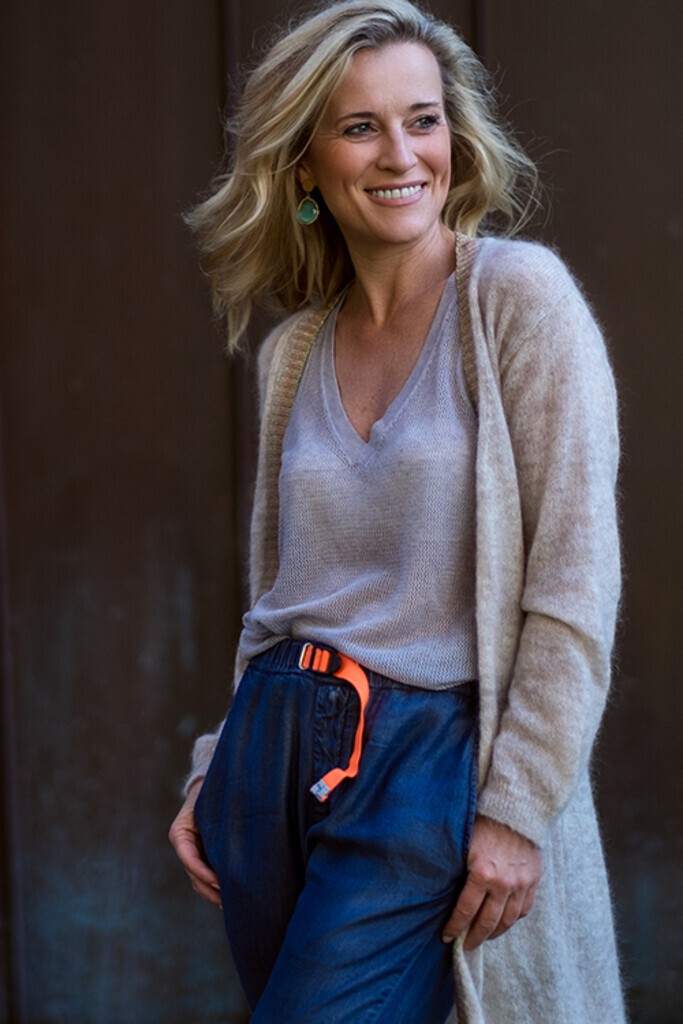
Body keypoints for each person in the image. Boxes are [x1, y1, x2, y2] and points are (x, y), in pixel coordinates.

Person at [168, 1, 626, 1021]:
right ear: (303, 164)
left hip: (423, 758)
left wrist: (516, 809)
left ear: (454, 139)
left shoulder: (517, 301)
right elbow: (281, 600)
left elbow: (573, 582)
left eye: (422, 120)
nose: (400, 154)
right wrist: (212, 769)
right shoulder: (293, 352)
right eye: (359, 126)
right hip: (269, 751)